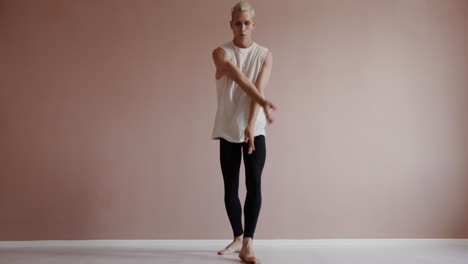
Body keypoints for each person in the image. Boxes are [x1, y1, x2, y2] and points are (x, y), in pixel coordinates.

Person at [211, 1, 275, 263]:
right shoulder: (220, 53)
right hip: (227, 128)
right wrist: (262, 101)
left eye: (247, 23)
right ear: (231, 24)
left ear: (253, 24)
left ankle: (248, 242)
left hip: (255, 128)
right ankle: (237, 236)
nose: (242, 27)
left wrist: (251, 123)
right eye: (237, 23)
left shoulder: (265, 54)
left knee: (254, 184)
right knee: (230, 188)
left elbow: (258, 87)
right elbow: (240, 79)